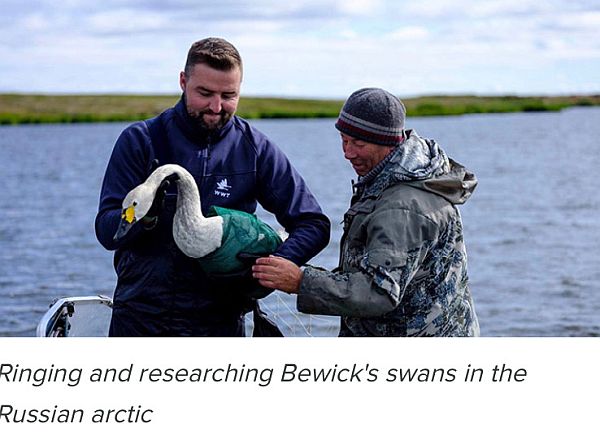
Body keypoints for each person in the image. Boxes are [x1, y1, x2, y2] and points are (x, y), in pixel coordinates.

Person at [95, 37, 330, 336]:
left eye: (228, 95)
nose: (216, 107)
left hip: (219, 324)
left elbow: (313, 223)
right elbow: (106, 230)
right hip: (140, 319)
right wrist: (144, 219)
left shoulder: (254, 149)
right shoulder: (141, 141)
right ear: (183, 81)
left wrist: (273, 266)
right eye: (205, 93)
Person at [252, 87, 479, 336]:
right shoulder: (400, 174)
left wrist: (300, 282)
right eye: (344, 140)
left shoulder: (402, 206)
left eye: (358, 143)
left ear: (389, 142)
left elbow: (378, 292)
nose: (347, 153)